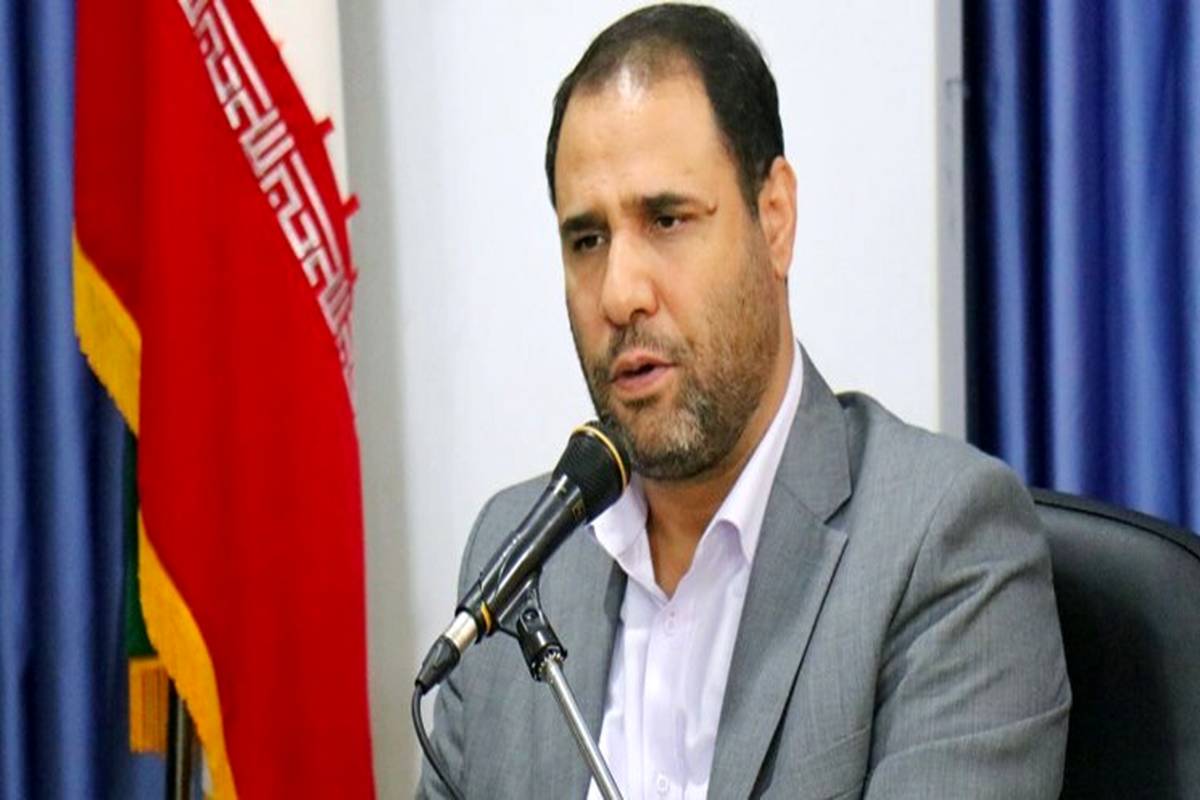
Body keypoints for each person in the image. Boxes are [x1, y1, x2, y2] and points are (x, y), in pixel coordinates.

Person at [418, 5, 1070, 798]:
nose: (620, 293)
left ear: (776, 220)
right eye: (587, 240)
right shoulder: (518, 563)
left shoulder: (943, 546)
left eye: (667, 219)